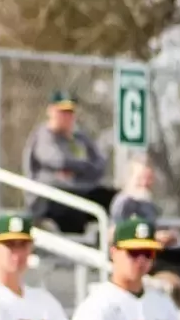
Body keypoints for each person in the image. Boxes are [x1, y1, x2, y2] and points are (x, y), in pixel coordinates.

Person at [70, 218, 180, 320]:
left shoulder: (163, 302)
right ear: (114, 252)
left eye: (147, 253)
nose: (141, 260)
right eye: (134, 252)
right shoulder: (96, 305)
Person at [110, 154, 180, 288]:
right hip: (143, 254)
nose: (145, 182)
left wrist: (167, 236)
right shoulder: (124, 202)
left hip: (161, 249)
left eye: (149, 178)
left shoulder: (148, 202)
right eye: (140, 178)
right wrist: (155, 237)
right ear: (129, 178)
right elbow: (121, 234)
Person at [22, 90, 114, 234]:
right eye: (62, 111)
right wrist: (83, 167)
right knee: (71, 211)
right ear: (50, 111)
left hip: (78, 191)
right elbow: (57, 161)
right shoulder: (44, 135)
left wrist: (79, 168)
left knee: (111, 197)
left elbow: (99, 166)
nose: (66, 117)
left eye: (70, 112)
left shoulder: (79, 138)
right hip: (48, 197)